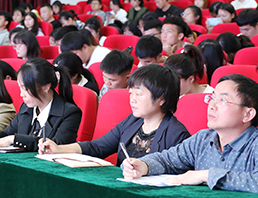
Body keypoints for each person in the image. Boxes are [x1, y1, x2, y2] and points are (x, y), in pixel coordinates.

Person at [121, 74, 258, 198]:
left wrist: (207, 175)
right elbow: (168, 159)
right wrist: (143, 165)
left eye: (222, 100)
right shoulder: (203, 138)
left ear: (248, 114)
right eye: (212, 98)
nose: (211, 105)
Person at [39, 64, 190, 166]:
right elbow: (97, 147)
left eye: (138, 94)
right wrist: (59, 149)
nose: (132, 99)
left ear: (162, 98)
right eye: (130, 93)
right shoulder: (133, 121)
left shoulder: (177, 135)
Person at [0, 58, 81, 152]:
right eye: (20, 88)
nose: (21, 94)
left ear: (46, 87)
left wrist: (13, 139)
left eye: (26, 89)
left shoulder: (70, 113)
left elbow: (56, 145)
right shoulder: (26, 107)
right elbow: (8, 133)